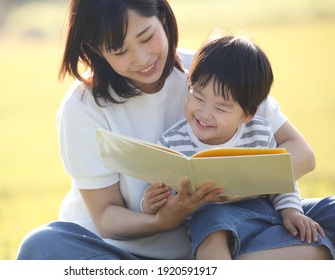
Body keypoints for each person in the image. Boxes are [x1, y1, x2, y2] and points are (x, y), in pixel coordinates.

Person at [16, 0, 335, 260]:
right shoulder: (83, 108)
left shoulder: (213, 71)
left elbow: (302, 156)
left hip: (232, 233)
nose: (142, 59)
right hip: (122, 254)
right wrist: (160, 220)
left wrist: (239, 186)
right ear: (96, 50)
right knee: (41, 246)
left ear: (162, 14)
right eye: (119, 51)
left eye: (146, 37)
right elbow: (106, 218)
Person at [141, 34, 334, 259]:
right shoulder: (171, 142)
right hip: (215, 222)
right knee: (209, 222)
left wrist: (291, 211)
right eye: (198, 97)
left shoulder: (260, 133)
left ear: (248, 114)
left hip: (264, 212)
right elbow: (157, 193)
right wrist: (149, 203)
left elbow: (281, 179)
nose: (204, 113)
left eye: (221, 108)